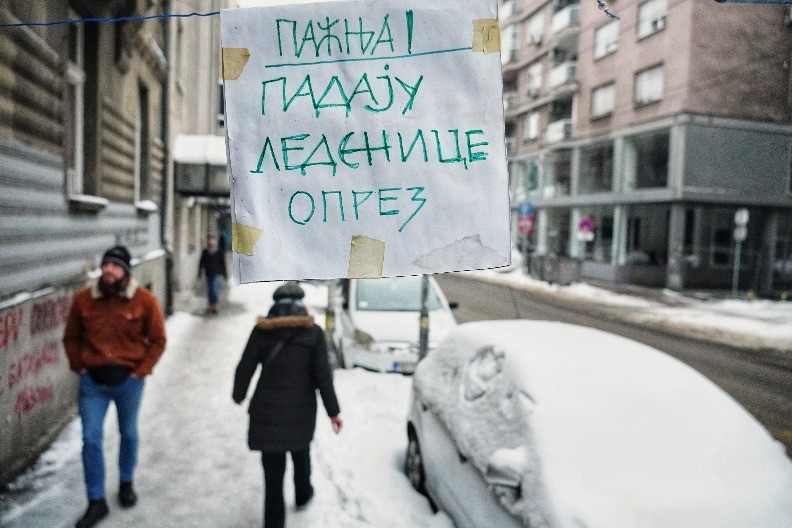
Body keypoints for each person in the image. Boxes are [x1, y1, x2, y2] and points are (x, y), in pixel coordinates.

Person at [63, 246, 167, 528]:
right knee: (91, 440)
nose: (108, 270)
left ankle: (125, 482)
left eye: (115, 266)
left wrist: (141, 372)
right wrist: (78, 365)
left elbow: (158, 340)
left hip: (128, 383)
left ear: (125, 272)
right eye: (106, 265)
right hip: (92, 384)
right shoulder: (84, 299)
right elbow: (71, 337)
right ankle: (96, 501)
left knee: (128, 434)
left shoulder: (143, 300)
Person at [233, 282, 342, 528]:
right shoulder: (313, 333)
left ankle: (274, 523)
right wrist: (333, 412)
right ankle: (303, 495)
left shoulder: (261, 331)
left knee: (273, 476)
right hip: (301, 411)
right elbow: (323, 376)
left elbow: (245, 366)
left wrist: (239, 394)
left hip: (266, 411)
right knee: (301, 452)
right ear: (302, 304)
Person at [198, 234, 227, 313]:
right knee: (210, 290)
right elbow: (201, 262)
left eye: (212, 240)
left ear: (215, 241)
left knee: (214, 289)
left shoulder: (219, 251)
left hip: (217, 273)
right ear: (208, 241)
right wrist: (200, 273)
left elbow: (223, 263)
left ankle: (215, 305)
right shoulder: (205, 252)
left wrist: (225, 274)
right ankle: (211, 305)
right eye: (209, 240)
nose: (211, 242)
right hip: (208, 273)